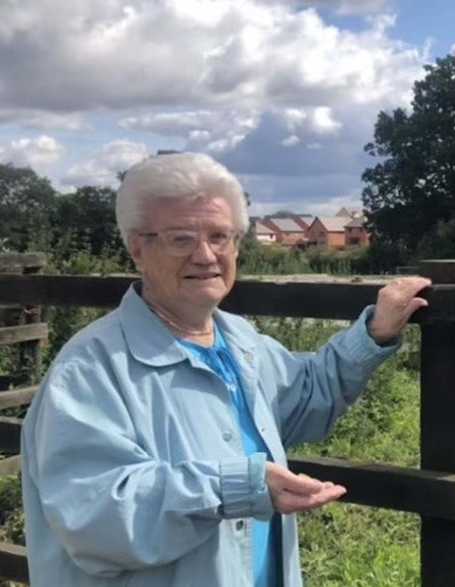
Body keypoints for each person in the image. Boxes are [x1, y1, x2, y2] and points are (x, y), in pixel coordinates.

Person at [19, 152, 430, 586]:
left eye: (220, 236)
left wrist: (376, 332)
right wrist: (236, 486)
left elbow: (308, 393)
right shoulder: (89, 371)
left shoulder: (239, 341)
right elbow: (95, 516)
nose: (205, 255)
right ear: (137, 248)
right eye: (181, 239)